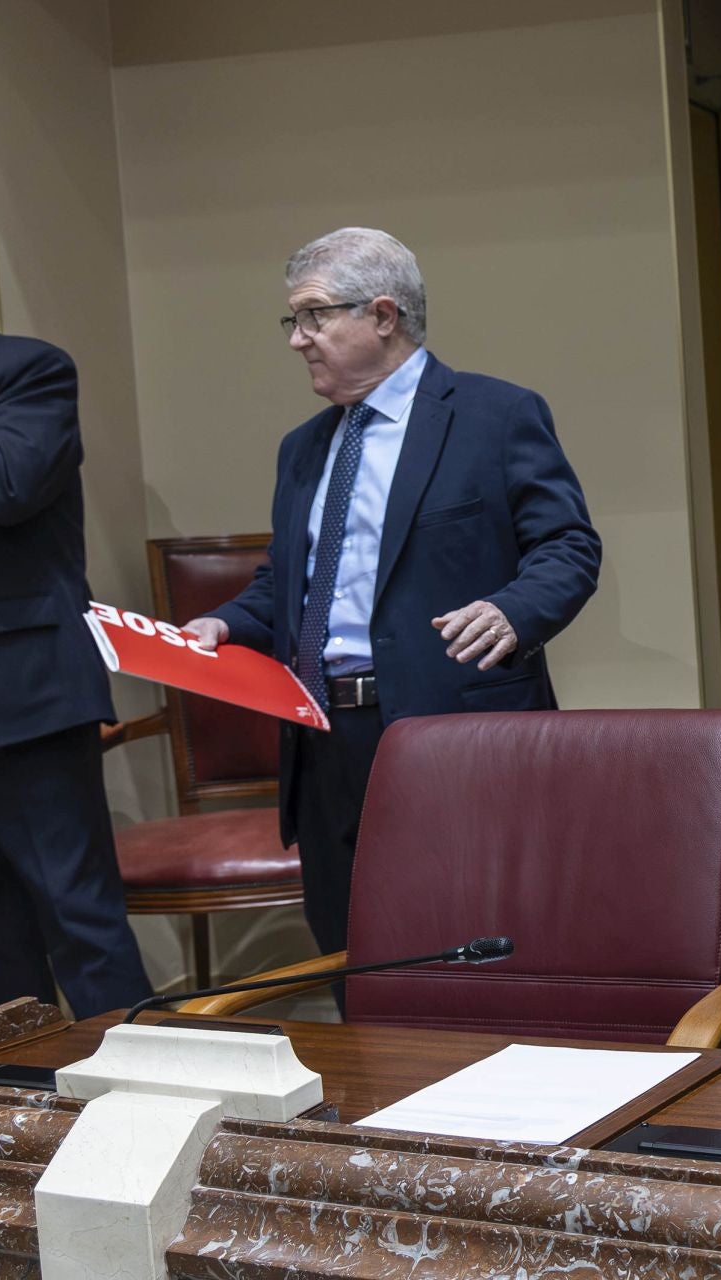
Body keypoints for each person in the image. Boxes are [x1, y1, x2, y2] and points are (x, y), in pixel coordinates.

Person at [184, 228, 601, 956]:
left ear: (382, 315)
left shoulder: (495, 416)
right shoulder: (302, 448)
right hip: (324, 741)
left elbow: (569, 548)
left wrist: (512, 608)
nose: (297, 339)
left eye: (314, 316)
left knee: (467, 945)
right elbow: (288, 582)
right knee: (352, 954)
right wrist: (222, 625)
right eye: (293, 320)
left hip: (453, 731)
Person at [0, 332, 154, 1016]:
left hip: (28, 690)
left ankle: (151, 1098)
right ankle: (23, 1108)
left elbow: (9, 485)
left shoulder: (29, 369)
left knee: (79, 918)